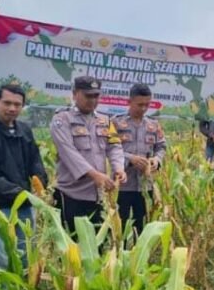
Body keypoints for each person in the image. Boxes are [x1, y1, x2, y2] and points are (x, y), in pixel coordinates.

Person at [0, 84, 48, 269]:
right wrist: (23, 194)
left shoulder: (24, 130)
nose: (12, 108)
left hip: (24, 207)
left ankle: (24, 288)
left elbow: (35, 160)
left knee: (27, 256)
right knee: (2, 259)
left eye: (17, 104)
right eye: (7, 103)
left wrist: (40, 183)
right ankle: (4, 289)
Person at [50, 76, 126, 234]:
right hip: (71, 195)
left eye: (96, 96)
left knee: (97, 244)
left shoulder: (105, 121)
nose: (92, 100)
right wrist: (94, 175)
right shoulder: (62, 120)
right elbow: (68, 152)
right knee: (71, 244)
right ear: (75, 94)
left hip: (98, 196)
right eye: (88, 96)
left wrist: (119, 168)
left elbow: (115, 146)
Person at [112, 84, 166, 237]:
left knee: (142, 228)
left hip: (145, 186)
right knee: (118, 229)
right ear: (129, 102)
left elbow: (161, 147)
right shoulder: (115, 123)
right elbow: (108, 149)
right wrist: (130, 159)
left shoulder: (153, 124)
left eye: (147, 105)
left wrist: (156, 160)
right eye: (139, 104)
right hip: (122, 186)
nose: (143, 108)